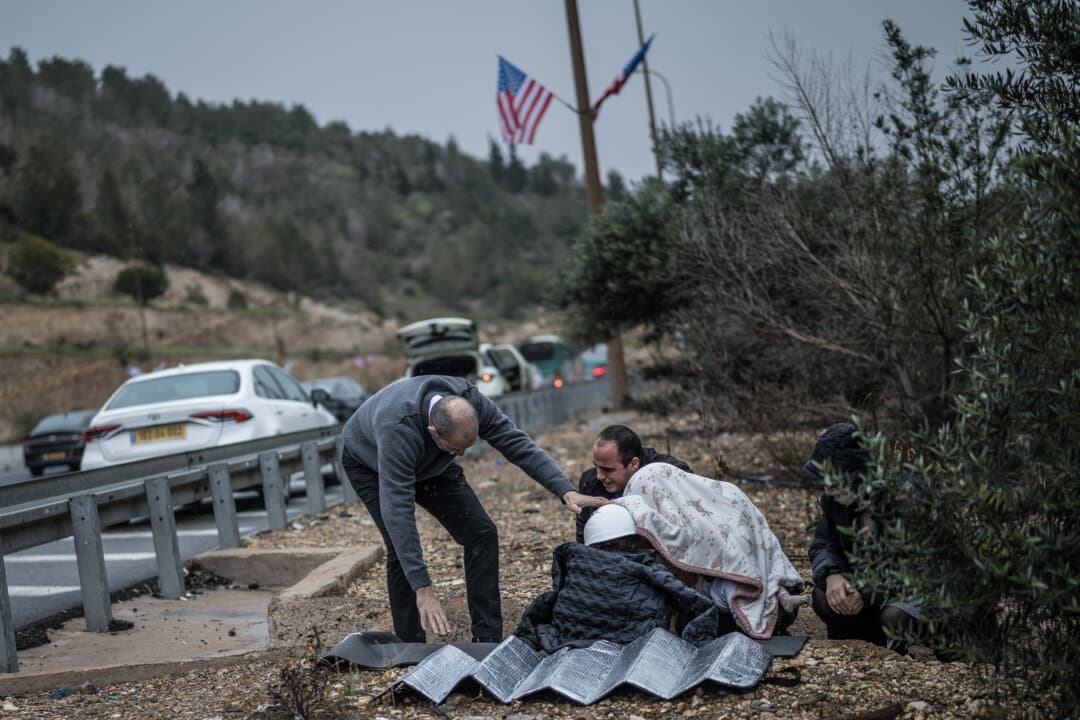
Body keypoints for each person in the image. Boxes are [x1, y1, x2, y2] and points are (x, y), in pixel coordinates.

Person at [340, 374, 606, 644]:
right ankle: (410, 647)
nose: (463, 455)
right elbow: (398, 511)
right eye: (457, 449)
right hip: (370, 462)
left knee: (481, 533)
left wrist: (565, 489)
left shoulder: (470, 401)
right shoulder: (398, 428)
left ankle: (487, 638)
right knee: (399, 548)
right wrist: (423, 588)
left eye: (467, 447)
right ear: (433, 430)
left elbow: (515, 442)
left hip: (432, 462)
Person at [514, 504, 723, 652]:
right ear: (633, 538)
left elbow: (548, 601)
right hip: (631, 642)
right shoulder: (647, 568)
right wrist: (696, 646)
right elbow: (697, 603)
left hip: (569, 639)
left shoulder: (571, 562)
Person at [805, 422, 922, 650]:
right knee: (823, 597)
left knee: (895, 616)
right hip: (866, 587)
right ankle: (857, 646)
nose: (827, 490)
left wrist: (866, 592)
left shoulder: (907, 498)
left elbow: (914, 568)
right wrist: (832, 575)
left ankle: (894, 653)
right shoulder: (835, 499)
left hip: (913, 590)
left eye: (834, 482)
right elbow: (823, 543)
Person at [574, 424, 691, 543]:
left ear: (633, 464)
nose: (599, 476)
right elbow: (584, 539)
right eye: (596, 466)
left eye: (607, 469)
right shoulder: (590, 482)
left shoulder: (669, 474)